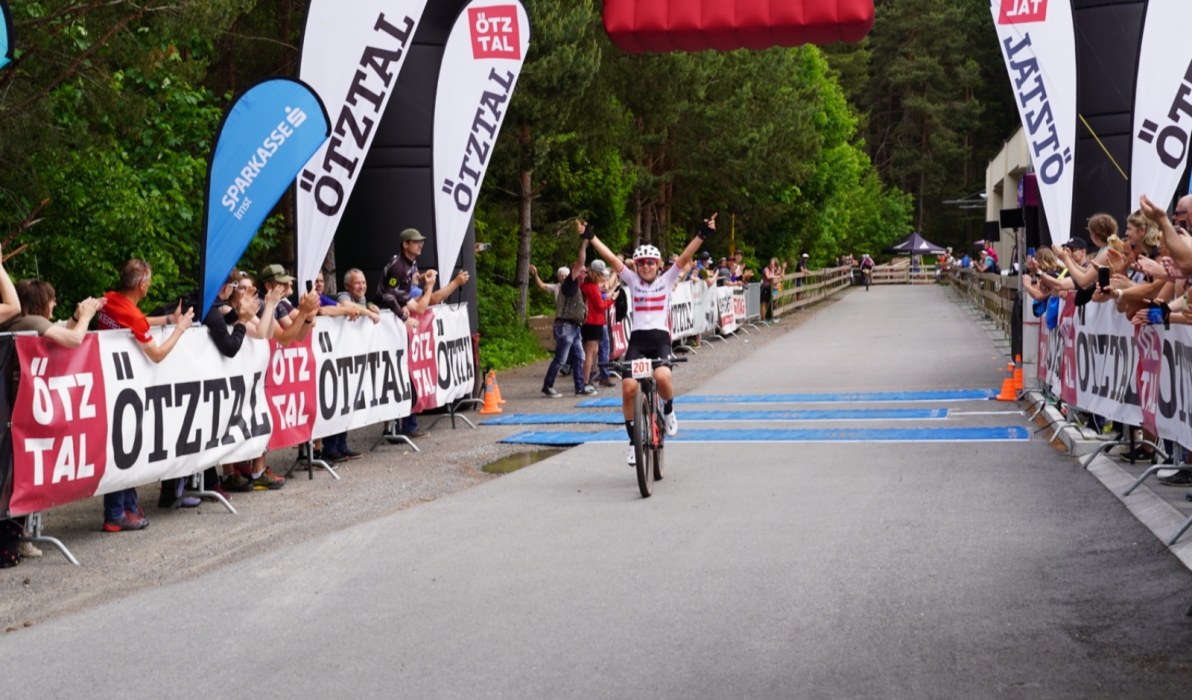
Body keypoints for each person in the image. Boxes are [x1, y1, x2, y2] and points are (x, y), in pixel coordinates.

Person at [584, 214, 714, 465]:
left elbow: (686, 257)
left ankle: (668, 411)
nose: (646, 266)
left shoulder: (666, 280)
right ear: (637, 265)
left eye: (651, 263)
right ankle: (633, 443)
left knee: (662, 377)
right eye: (641, 262)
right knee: (628, 387)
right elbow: (612, 258)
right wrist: (592, 238)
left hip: (660, 340)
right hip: (638, 342)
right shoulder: (632, 280)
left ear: (657, 264)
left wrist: (701, 235)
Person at [95, 259, 195, 532]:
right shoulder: (131, 314)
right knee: (124, 447)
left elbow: (136, 322)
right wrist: (180, 329)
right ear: (142, 284)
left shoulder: (109, 300)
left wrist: (167, 320)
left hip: (114, 382)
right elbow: (158, 354)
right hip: (125, 385)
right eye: (149, 282)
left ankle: (128, 503)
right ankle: (115, 513)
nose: (149, 286)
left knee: (128, 445)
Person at [542, 226, 592, 398]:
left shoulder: (577, 286)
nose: (585, 273)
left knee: (579, 356)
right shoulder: (570, 282)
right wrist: (585, 243)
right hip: (564, 326)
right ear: (576, 271)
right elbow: (580, 261)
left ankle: (580, 387)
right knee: (561, 359)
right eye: (583, 271)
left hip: (574, 327)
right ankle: (548, 386)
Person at [373, 228, 426, 331]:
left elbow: (407, 284)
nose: (420, 245)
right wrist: (405, 318)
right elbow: (388, 296)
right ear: (405, 245)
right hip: (383, 314)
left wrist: (424, 278)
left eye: (421, 242)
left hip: (394, 312)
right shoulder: (397, 268)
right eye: (416, 242)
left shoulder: (412, 261)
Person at [580, 260, 618, 393]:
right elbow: (600, 306)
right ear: (597, 273)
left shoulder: (588, 285)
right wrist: (612, 300)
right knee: (590, 352)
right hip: (593, 321)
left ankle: (586, 378)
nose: (603, 277)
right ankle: (584, 381)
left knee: (594, 351)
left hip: (592, 321)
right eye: (602, 274)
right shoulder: (591, 286)